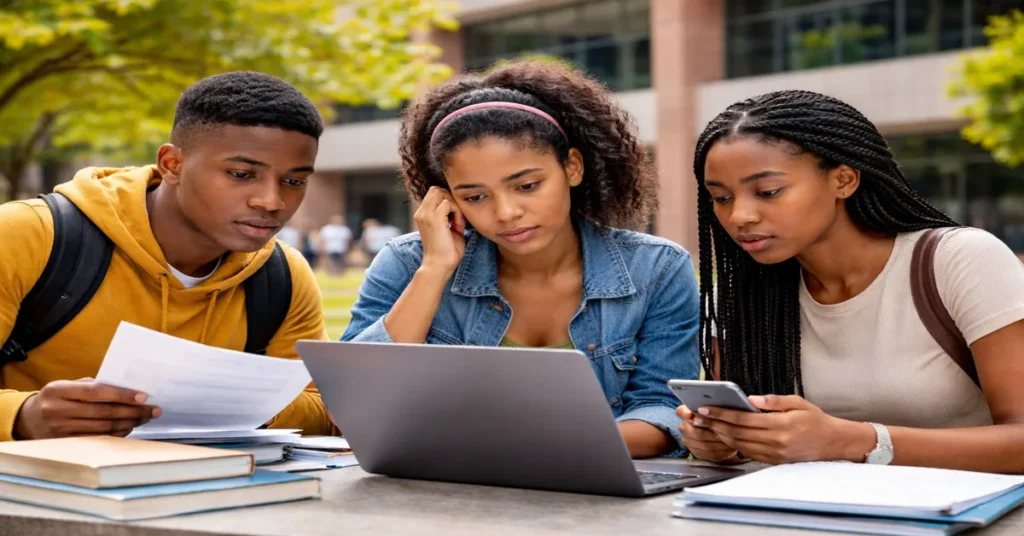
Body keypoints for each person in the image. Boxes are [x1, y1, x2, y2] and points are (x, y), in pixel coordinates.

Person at [342, 60, 700, 458]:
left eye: (527, 185)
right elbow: (352, 403)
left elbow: (663, 410)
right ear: (447, 199)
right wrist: (434, 270)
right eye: (475, 196)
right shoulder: (408, 263)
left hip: (595, 493)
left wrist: (535, 444)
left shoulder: (657, 269)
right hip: (444, 496)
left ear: (573, 167)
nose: (506, 212)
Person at [680, 89, 1024, 473]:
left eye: (767, 192)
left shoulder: (958, 260)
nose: (740, 215)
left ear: (844, 180)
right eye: (722, 197)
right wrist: (724, 442)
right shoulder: (739, 296)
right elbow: (754, 444)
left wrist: (855, 440)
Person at [0, 71, 336, 441]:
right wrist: (21, 415)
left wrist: (221, 397)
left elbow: (324, 411)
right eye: (241, 174)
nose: (271, 202)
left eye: (294, 181)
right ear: (172, 164)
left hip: (209, 491)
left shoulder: (283, 273)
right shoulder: (26, 234)